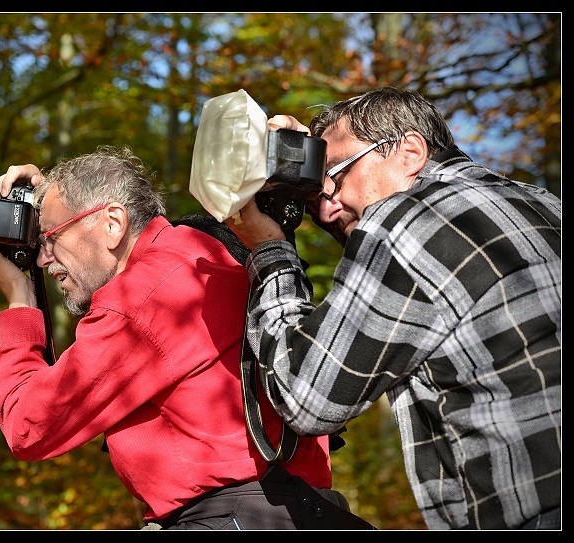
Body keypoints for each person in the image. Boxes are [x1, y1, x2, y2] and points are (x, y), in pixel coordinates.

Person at [0, 145, 365, 530]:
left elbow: (29, 426)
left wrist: (20, 301)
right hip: (295, 510)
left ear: (113, 223)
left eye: (51, 238)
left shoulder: (139, 300)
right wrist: (47, 199)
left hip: (233, 516)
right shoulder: (198, 247)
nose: (42, 257)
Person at [225, 87, 561, 530]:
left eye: (338, 177)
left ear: (409, 152)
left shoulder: (408, 222)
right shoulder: (544, 205)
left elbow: (305, 396)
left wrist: (270, 249)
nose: (325, 212)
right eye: (316, 197)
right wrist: (306, 173)